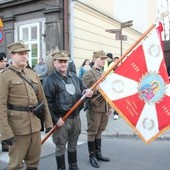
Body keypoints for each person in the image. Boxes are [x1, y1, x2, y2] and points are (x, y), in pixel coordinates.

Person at [0, 41, 53, 170]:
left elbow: (42, 100)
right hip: (17, 128)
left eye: (25, 53)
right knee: (15, 165)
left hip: (35, 126)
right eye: (20, 54)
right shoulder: (5, 76)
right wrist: (5, 132)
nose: (24, 56)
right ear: (12, 55)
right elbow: (1, 106)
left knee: (34, 163)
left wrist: (48, 122)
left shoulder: (32, 74)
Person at [43, 50, 93, 170]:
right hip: (61, 120)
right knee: (60, 146)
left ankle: (73, 165)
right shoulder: (49, 80)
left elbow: (83, 89)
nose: (63, 64)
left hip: (75, 118)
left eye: (65, 61)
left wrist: (87, 92)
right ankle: (61, 168)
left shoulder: (74, 77)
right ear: (54, 63)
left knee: (73, 144)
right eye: (60, 61)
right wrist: (55, 119)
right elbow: (46, 103)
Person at [82, 50, 112, 168]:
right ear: (94, 59)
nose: (104, 61)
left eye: (105, 59)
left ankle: (98, 154)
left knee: (100, 131)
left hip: (104, 107)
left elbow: (107, 91)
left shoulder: (103, 73)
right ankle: (92, 156)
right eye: (101, 59)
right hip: (94, 108)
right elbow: (83, 90)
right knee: (92, 131)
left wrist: (109, 106)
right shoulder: (89, 73)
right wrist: (95, 89)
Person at [33, 57, 49, 131]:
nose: (40, 61)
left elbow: (45, 72)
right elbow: (34, 71)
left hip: (43, 80)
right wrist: (36, 75)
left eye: (41, 60)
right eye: (39, 60)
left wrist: (39, 75)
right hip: (37, 80)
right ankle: (41, 126)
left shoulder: (45, 65)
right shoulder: (36, 65)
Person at [0, 52, 9, 152]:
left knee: (5, 123)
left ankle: (5, 144)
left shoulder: (7, 73)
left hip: (5, 103)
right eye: (1, 61)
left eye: (5, 61)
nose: (3, 64)